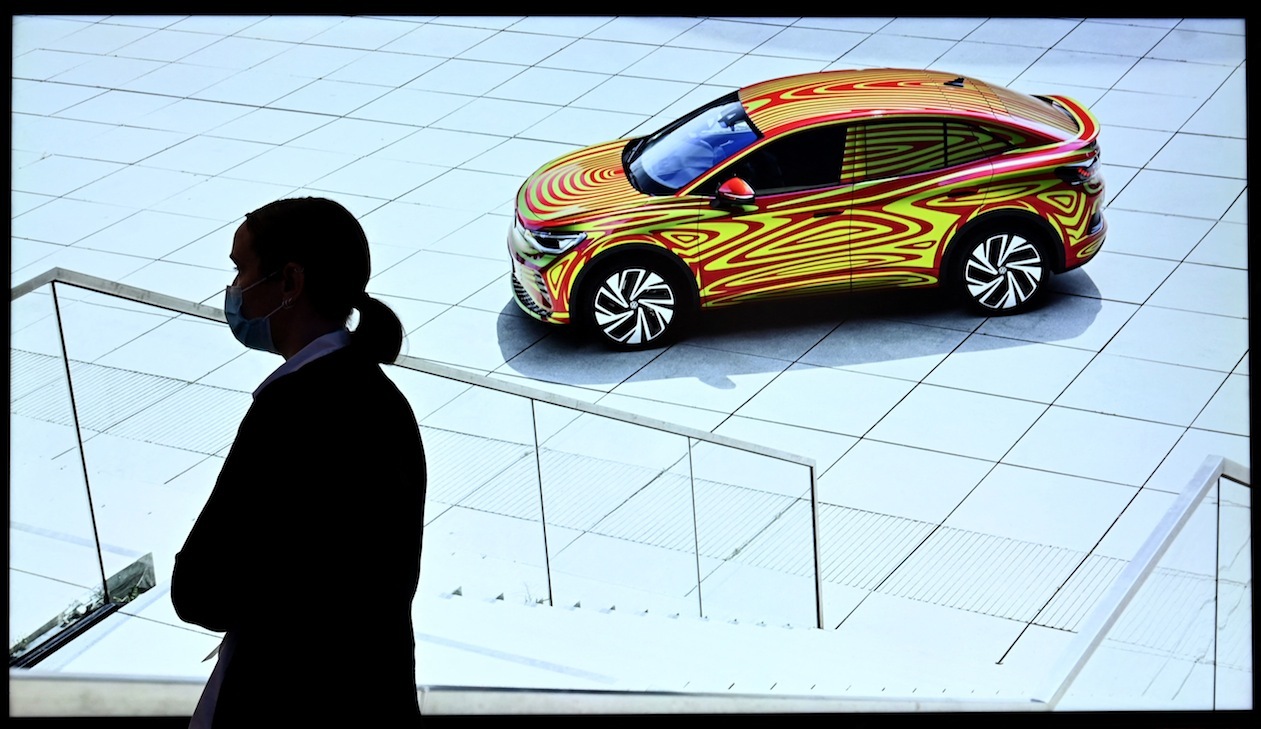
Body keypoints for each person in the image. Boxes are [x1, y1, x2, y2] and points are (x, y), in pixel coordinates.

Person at [172, 197, 426, 727]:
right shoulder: (383, 399)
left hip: (288, 698)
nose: (235, 289)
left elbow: (202, 591)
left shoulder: (289, 413)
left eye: (242, 269)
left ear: (289, 281)